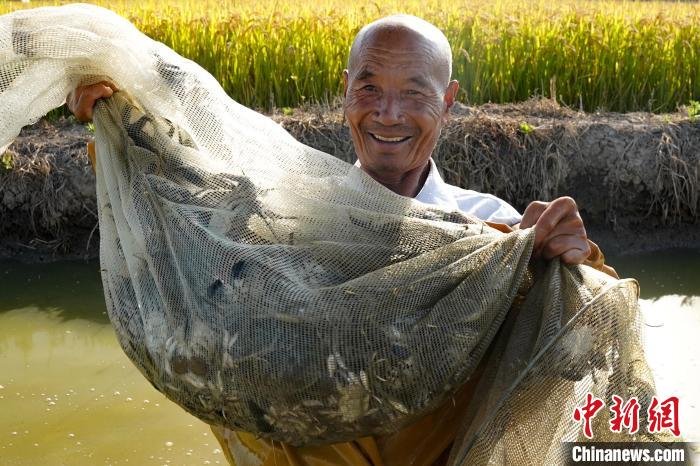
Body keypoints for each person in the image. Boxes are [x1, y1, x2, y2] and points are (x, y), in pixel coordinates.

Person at [68, 14, 615, 465]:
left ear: (447, 102)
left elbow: (577, 364)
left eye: (414, 93)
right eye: (370, 87)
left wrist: (573, 264)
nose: (388, 113)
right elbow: (180, 268)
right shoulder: (285, 216)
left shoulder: (494, 234)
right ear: (346, 90)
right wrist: (117, 126)